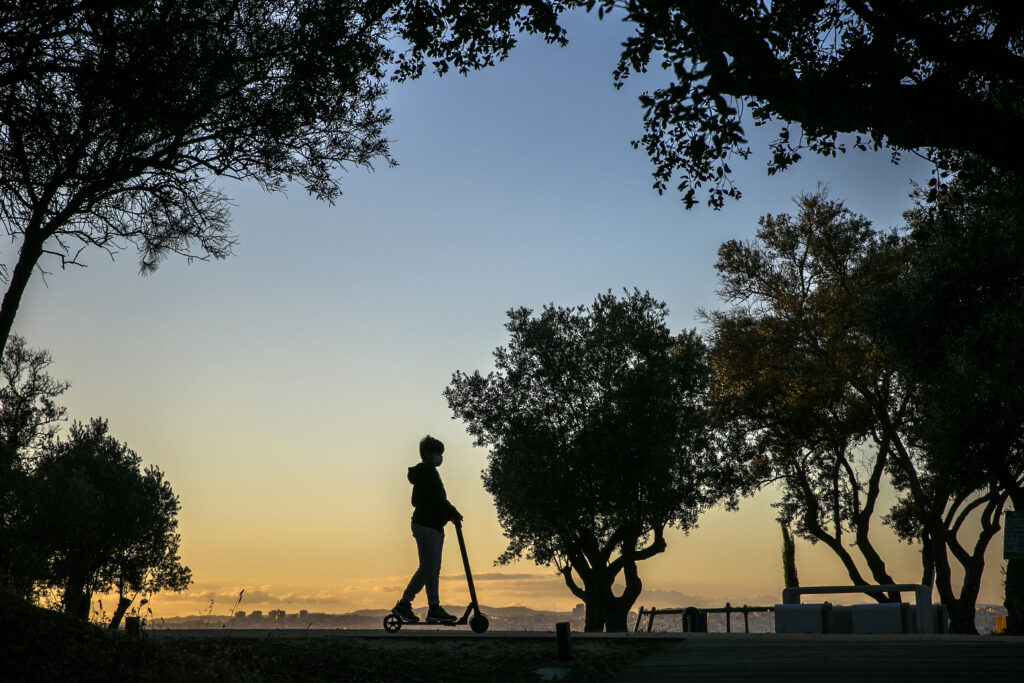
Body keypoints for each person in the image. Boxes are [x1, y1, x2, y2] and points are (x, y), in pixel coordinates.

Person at [392, 435, 463, 624]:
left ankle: (434, 607)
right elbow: (438, 499)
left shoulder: (426, 473)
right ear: (428, 454)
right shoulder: (427, 473)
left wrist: (449, 513)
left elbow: (421, 500)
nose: (440, 458)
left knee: (433, 569)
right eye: (438, 454)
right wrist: (452, 512)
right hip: (427, 525)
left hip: (432, 525)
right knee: (428, 567)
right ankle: (405, 602)